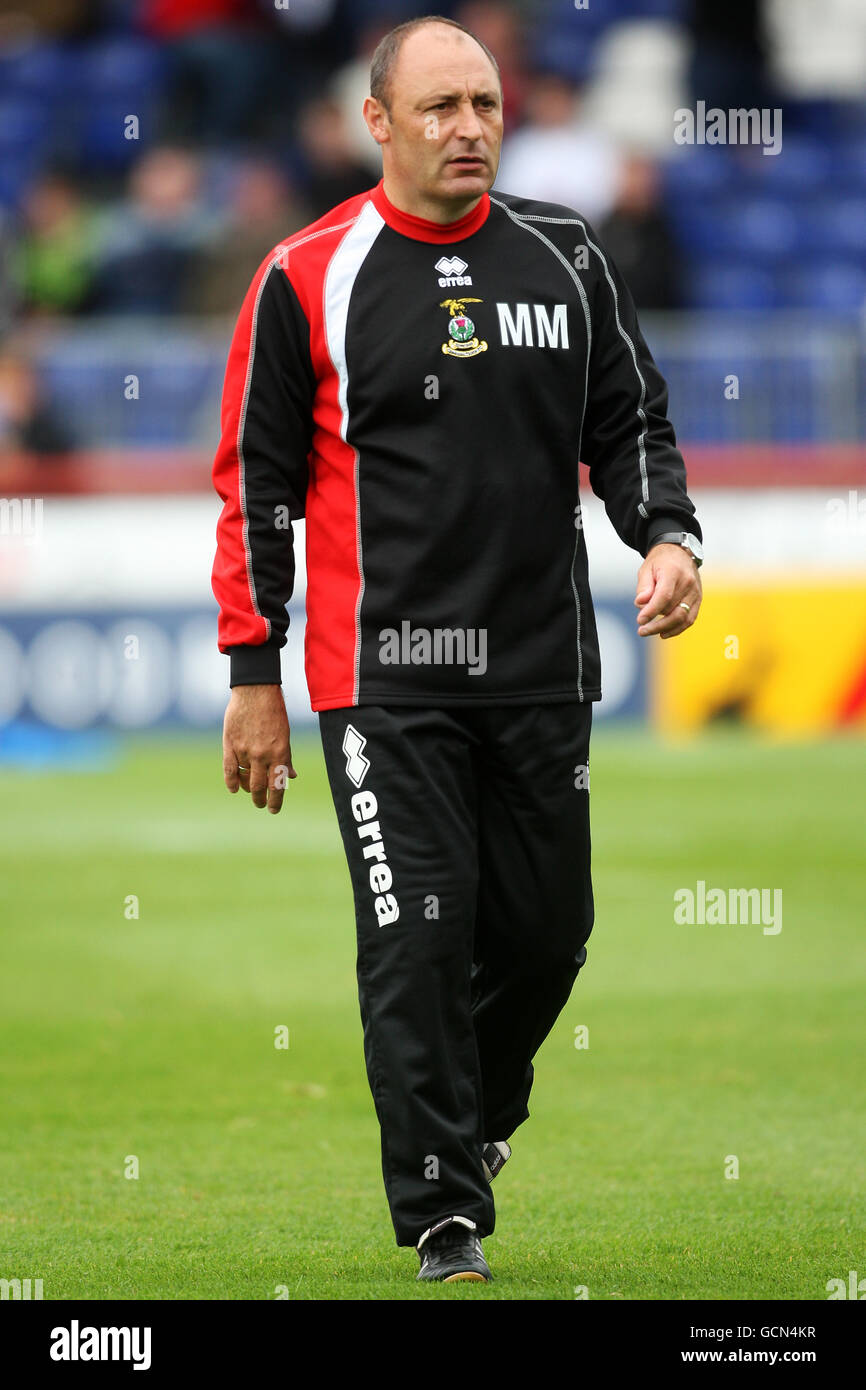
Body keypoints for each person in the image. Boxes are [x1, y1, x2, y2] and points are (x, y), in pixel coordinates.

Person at [211, 14, 703, 1285]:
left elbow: (630, 416)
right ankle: (443, 1211)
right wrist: (253, 673)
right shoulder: (304, 275)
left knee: (547, 935)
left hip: (542, 662)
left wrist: (665, 537)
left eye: (483, 103)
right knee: (417, 936)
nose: (468, 127)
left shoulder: (570, 254)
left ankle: (471, 1126)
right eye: (439, 107)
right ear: (377, 124)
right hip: (384, 682)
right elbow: (257, 488)